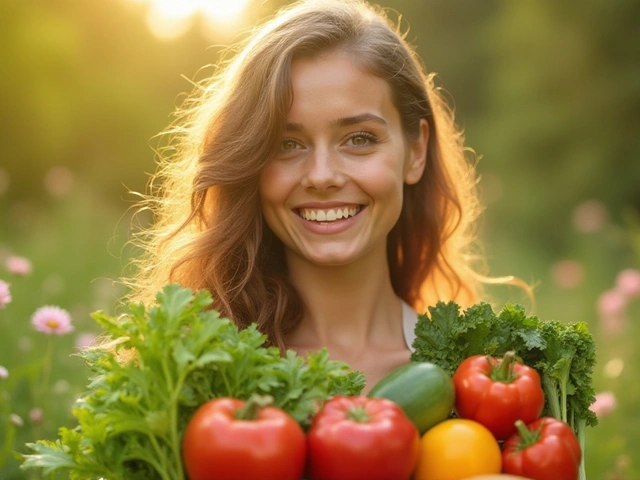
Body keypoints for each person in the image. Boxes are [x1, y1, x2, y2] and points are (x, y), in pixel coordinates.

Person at [126, 0, 522, 392]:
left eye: (359, 139)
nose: (321, 176)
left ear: (415, 152)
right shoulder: (188, 377)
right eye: (286, 144)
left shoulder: (486, 383)